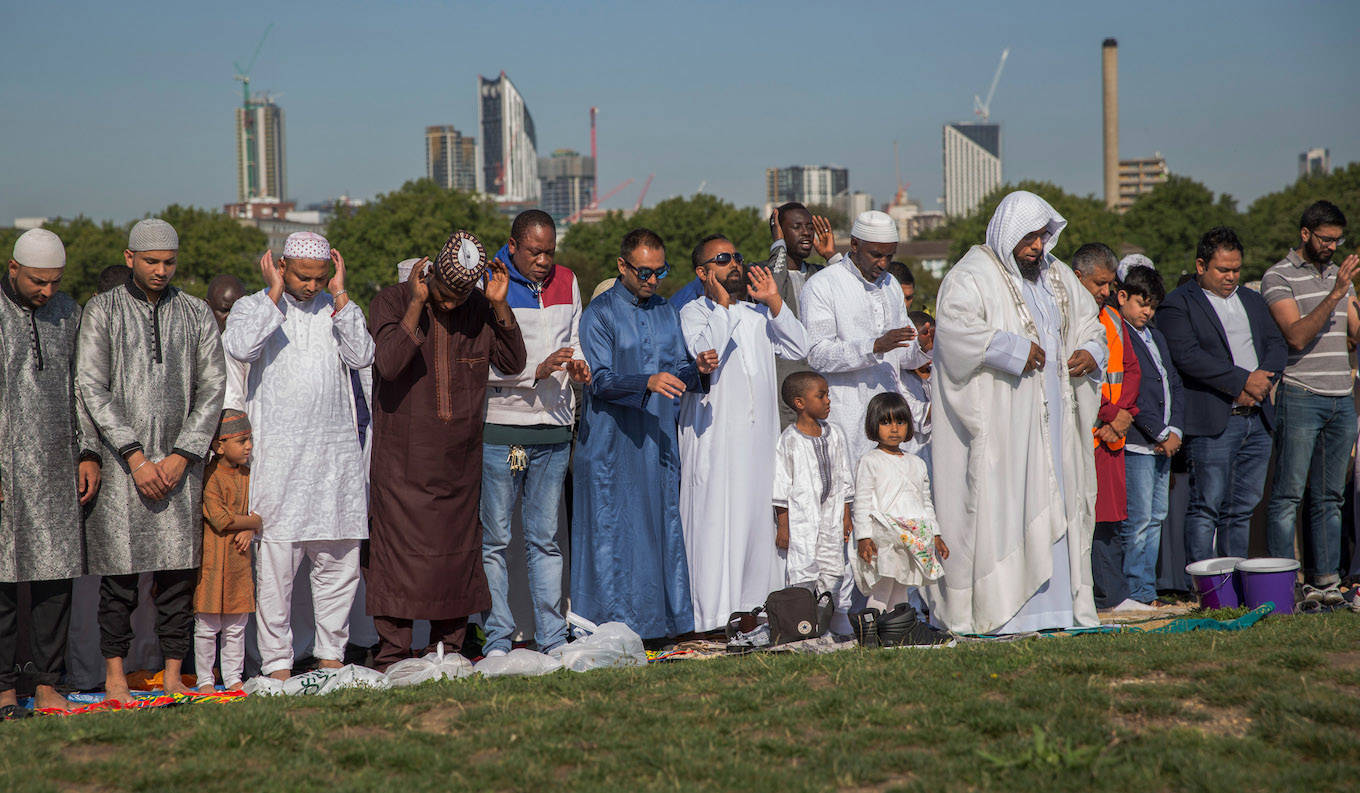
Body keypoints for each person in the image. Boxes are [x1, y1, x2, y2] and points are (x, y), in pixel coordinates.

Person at [929, 191, 1105, 635]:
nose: (1036, 247)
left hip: (1056, 421)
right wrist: (1012, 348)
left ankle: (1060, 611)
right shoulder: (971, 276)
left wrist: (1089, 350)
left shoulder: (1059, 276)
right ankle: (1004, 613)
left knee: (1061, 501)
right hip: (1004, 423)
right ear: (1007, 233)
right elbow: (954, 333)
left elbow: (1091, 324)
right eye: (1028, 237)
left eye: (1043, 237)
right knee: (1003, 507)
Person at [77, 218, 226, 702]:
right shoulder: (102, 310)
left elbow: (212, 387)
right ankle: (116, 677)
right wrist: (136, 457)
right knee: (119, 581)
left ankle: (173, 676)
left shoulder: (197, 313)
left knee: (178, 578)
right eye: (152, 262)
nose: (162, 271)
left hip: (180, 471)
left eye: (169, 262)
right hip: (124, 470)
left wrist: (183, 454)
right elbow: (91, 387)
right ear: (130, 259)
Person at [366, 232, 526, 669]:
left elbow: (513, 364)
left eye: (462, 295)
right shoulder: (392, 301)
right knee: (397, 558)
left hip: (458, 462)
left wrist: (497, 304)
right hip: (401, 461)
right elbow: (389, 364)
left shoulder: (478, 307)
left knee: (454, 560)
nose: (453, 304)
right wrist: (418, 304)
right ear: (429, 272)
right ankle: (394, 653)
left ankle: (449, 650)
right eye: (445, 294)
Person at [221, 231, 374, 680]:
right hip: (280, 463)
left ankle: (331, 658)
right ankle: (277, 666)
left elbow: (364, 355)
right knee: (275, 573)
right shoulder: (255, 306)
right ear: (281, 266)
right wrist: (272, 293)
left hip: (334, 463)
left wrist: (341, 292)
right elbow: (240, 347)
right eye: (303, 277)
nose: (312, 286)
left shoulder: (337, 308)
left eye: (320, 277)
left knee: (339, 568)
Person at [572, 228, 717, 642]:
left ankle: (664, 626)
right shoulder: (599, 314)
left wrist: (697, 370)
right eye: (644, 272)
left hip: (656, 442)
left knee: (661, 530)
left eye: (660, 271)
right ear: (622, 266)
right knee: (613, 535)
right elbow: (600, 381)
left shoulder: (666, 311)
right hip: (610, 447)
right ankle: (611, 630)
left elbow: (675, 372)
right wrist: (647, 382)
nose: (653, 280)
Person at [677, 234, 809, 632]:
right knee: (715, 524)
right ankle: (712, 617)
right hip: (715, 443)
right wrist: (721, 306)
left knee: (755, 526)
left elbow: (800, 348)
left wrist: (773, 301)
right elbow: (707, 354)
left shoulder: (758, 317)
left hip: (757, 446)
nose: (734, 263)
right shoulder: (692, 313)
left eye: (737, 256)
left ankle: (755, 610)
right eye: (722, 259)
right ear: (703, 272)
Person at [0, 229, 101, 715]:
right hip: (5, 470)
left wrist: (89, 453)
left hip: (57, 466)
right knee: (1, 583)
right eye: (38, 282)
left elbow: (83, 389)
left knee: (55, 581)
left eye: (56, 282)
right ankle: (2, 687)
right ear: (14, 268)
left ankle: (46, 684)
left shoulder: (69, 314)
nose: (47, 291)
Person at [480, 211, 588, 657]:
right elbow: (475, 361)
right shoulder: (487, 284)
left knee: (545, 540)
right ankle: (498, 639)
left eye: (550, 251)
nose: (544, 261)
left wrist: (579, 367)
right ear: (512, 245)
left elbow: (576, 338)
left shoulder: (568, 280)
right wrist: (533, 372)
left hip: (554, 428)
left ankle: (551, 637)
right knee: (496, 541)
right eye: (534, 251)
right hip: (503, 427)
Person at [1158, 227, 1286, 563]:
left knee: (1241, 508)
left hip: (1257, 420)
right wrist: (1243, 382)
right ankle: (1208, 589)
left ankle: (1238, 580)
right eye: (1223, 270)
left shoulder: (1252, 300)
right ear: (1201, 265)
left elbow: (1275, 345)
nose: (1231, 277)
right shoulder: (1178, 304)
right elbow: (1188, 356)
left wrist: (1262, 383)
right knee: (1206, 507)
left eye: (1236, 270)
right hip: (1215, 420)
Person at [1261, 201, 1360, 605]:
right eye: (1325, 238)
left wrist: (1346, 294)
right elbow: (1296, 336)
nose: (1332, 247)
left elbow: (1355, 332)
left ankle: (1326, 582)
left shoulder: (1343, 278)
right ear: (1305, 234)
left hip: (1341, 397)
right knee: (1288, 496)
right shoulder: (1277, 276)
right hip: (1301, 394)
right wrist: (1335, 293)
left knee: (1330, 497)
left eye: (1338, 240)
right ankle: (1284, 588)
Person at [801, 210, 928, 462]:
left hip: (890, 418)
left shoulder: (891, 284)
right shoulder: (822, 285)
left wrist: (922, 347)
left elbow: (901, 356)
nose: (883, 263)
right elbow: (817, 355)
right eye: (876, 255)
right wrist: (874, 346)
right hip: (847, 416)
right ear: (855, 245)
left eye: (889, 256)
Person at [851, 393, 952, 646]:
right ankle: (870, 635)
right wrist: (863, 537)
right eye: (886, 422)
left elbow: (925, 501)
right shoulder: (870, 461)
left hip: (913, 537)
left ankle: (898, 633)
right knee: (883, 585)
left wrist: (936, 535)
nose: (894, 429)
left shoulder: (916, 463)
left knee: (902, 585)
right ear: (874, 425)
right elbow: (861, 501)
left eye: (900, 422)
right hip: (884, 536)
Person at [1072, 243, 1140, 611]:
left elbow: (1131, 368)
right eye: (1100, 283)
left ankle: (1115, 594)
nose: (1106, 291)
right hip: (1087, 431)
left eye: (1110, 284)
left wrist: (1124, 413)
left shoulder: (1112, 317)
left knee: (1112, 519)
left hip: (1113, 432)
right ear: (1077, 277)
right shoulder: (1063, 316)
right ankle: (1101, 597)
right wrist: (1113, 413)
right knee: (1089, 518)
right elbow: (1073, 378)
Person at [1116, 259, 1183, 608]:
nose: (1147, 311)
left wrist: (1176, 430)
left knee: (1156, 518)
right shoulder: (1118, 332)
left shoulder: (1154, 334)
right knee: (1139, 519)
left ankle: (1146, 589)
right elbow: (1133, 394)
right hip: (1139, 443)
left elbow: (1173, 381)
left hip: (1164, 441)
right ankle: (1134, 590)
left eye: (1153, 305)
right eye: (1142, 303)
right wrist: (1158, 432)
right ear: (1122, 296)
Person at [772, 372, 854, 631]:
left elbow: (844, 476)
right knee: (803, 568)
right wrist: (783, 527)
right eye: (821, 396)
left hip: (831, 514)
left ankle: (827, 624)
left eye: (827, 394)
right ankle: (801, 627)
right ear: (800, 403)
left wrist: (846, 514)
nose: (828, 400)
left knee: (833, 568)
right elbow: (780, 487)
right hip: (802, 518)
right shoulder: (789, 440)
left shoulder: (835, 434)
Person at [194, 410, 258, 692]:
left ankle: (233, 678)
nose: (249, 446)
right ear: (219, 446)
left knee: (236, 625)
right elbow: (221, 519)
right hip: (211, 563)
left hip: (238, 563)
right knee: (207, 627)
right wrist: (254, 521)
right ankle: (205, 680)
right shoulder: (209, 477)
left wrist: (250, 529)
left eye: (250, 439)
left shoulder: (249, 476)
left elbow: (254, 508)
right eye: (241, 440)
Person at [765, 207, 836, 429]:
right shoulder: (764, 274)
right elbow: (772, 288)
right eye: (796, 227)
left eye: (809, 227)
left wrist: (831, 257)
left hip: (820, 379)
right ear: (780, 232)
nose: (806, 233)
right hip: (784, 380)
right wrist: (778, 245)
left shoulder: (820, 274)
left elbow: (851, 292)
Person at [206, 274, 249, 412]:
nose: (232, 318)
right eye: (225, 310)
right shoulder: (195, 346)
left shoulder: (252, 348)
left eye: (239, 310)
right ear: (207, 306)